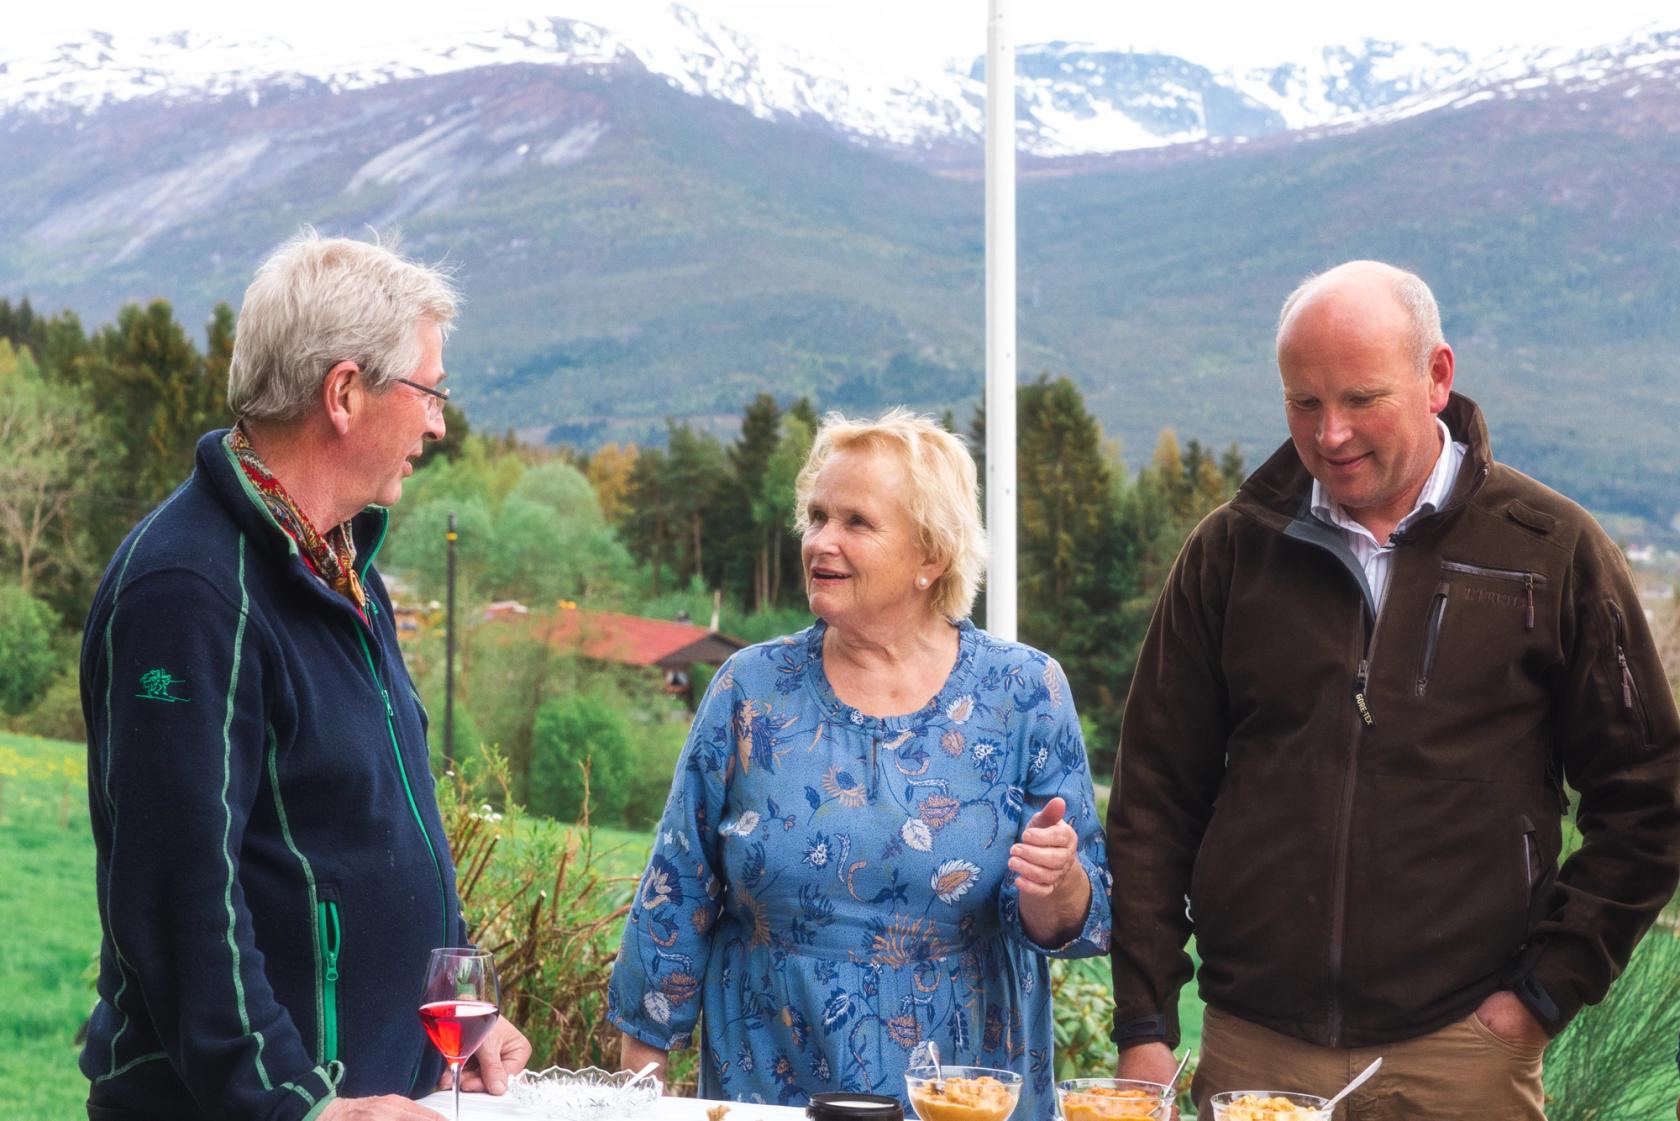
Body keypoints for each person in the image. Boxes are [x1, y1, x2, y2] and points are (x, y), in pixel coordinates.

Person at [1108, 260, 1680, 1119]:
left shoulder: (1552, 549)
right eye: (1304, 402)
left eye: (1360, 399)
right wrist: (1146, 1021)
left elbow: (1650, 795)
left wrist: (1540, 996)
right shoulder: (1231, 551)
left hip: (1463, 1052)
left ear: (1437, 377)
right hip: (1256, 1044)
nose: (1330, 433)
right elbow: (1154, 798)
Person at [80, 232, 530, 1121]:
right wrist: (299, 1106)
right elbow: (181, 895)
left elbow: (374, 825)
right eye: (429, 390)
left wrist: (459, 1011)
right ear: (345, 393)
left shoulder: (340, 567)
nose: (439, 422)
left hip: (375, 1093)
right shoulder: (192, 590)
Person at [609, 409, 1112, 1117]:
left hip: (962, 1095)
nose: (821, 541)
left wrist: (1054, 881)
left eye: (855, 522)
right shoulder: (749, 691)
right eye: (816, 516)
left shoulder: (1024, 692)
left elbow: (1073, 921)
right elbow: (675, 893)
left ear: (930, 556)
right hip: (771, 1088)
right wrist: (641, 1084)